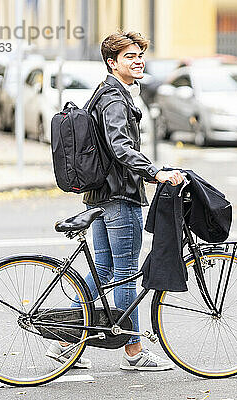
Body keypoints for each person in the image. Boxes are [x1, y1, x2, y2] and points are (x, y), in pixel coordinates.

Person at [46, 30, 184, 371]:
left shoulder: (107, 92)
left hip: (101, 196)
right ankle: (134, 351)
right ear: (112, 62)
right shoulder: (114, 98)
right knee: (124, 274)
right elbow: (120, 147)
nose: (137, 61)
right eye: (129, 57)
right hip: (120, 195)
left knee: (106, 269)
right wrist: (155, 173)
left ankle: (66, 342)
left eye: (139, 55)